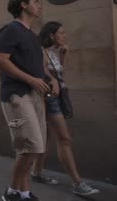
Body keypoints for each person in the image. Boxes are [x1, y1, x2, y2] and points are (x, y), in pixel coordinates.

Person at [0, 0, 53, 201]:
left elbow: (39, 66)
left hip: (35, 94)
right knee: (32, 145)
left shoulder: (32, 35)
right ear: (23, 5)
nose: (39, 5)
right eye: (35, 1)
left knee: (31, 147)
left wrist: (50, 79)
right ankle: (11, 191)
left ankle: (23, 192)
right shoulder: (10, 30)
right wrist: (31, 80)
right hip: (16, 95)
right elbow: (0, 61)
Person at [30, 21, 99, 196]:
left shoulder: (55, 52)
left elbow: (59, 74)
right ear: (52, 35)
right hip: (50, 98)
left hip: (57, 97)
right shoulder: (43, 52)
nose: (64, 36)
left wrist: (63, 57)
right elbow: (44, 74)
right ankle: (77, 183)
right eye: (61, 33)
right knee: (64, 139)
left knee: (46, 138)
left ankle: (36, 173)